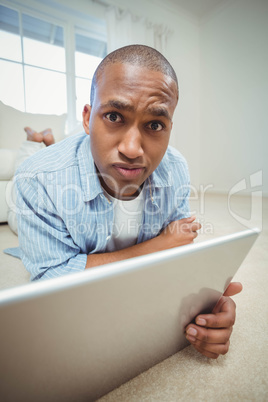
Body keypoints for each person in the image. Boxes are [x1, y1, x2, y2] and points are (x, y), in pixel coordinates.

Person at [9, 45, 242, 359]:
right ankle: (37, 140)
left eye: (155, 125)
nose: (132, 149)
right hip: (27, 211)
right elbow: (51, 278)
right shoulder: (35, 181)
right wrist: (157, 245)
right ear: (88, 118)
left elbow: (179, 251)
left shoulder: (176, 169)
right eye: (114, 116)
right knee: (15, 220)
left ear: (170, 128)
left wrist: (205, 304)